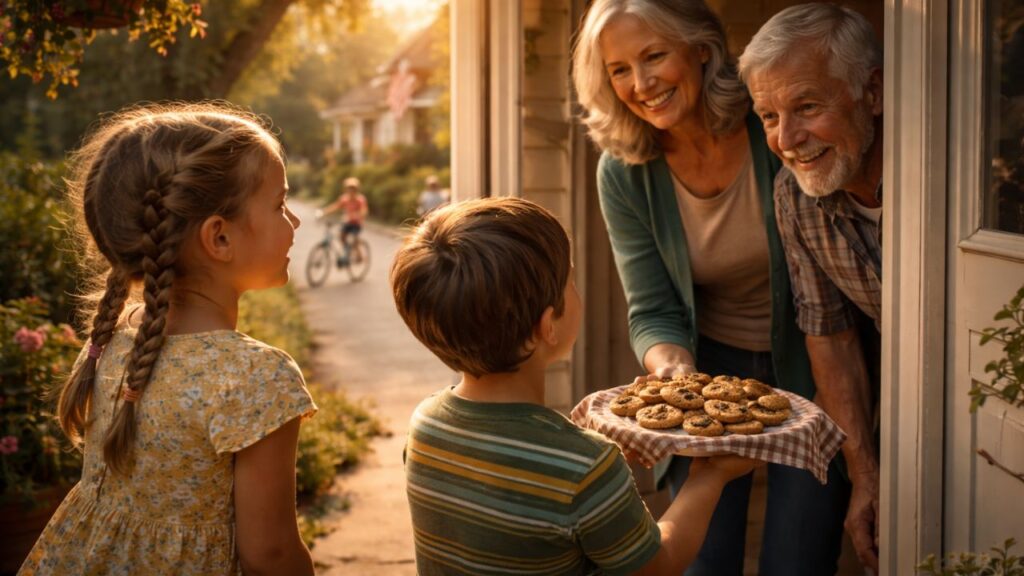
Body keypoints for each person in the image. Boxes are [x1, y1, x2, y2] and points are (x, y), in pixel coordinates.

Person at [571, 1, 849, 574]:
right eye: (619, 69)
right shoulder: (623, 172)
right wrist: (671, 370)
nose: (640, 84)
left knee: (798, 557)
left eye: (654, 56)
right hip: (707, 370)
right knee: (703, 559)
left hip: (812, 362)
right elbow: (651, 307)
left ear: (700, 49)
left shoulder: (768, 125)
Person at [18, 103, 317, 576]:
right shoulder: (256, 378)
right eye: (279, 205)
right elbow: (271, 556)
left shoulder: (116, 339)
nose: (294, 222)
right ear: (219, 238)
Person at [390, 197, 761, 575]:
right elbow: (657, 566)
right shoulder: (587, 467)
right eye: (571, 281)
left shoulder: (424, 425)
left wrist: (584, 444)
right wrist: (708, 478)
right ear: (547, 325)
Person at [738, 3, 884, 572]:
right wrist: (866, 478)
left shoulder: (946, 167)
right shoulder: (793, 196)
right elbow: (830, 336)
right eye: (769, 116)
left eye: (806, 106)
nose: (787, 138)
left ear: (871, 92)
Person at [322, 175, 369, 263]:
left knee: (354, 239)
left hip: (356, 223)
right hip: (347, 222)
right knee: (341, 236)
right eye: (349, 188)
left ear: (356, 189)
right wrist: (324, 212)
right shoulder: (344, 199)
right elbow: (336, 206)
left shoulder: (360, 199)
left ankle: (359, 255)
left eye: (353, 188)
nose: (351, 190)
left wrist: (357, 215)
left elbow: (364, 210)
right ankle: (347, 251)